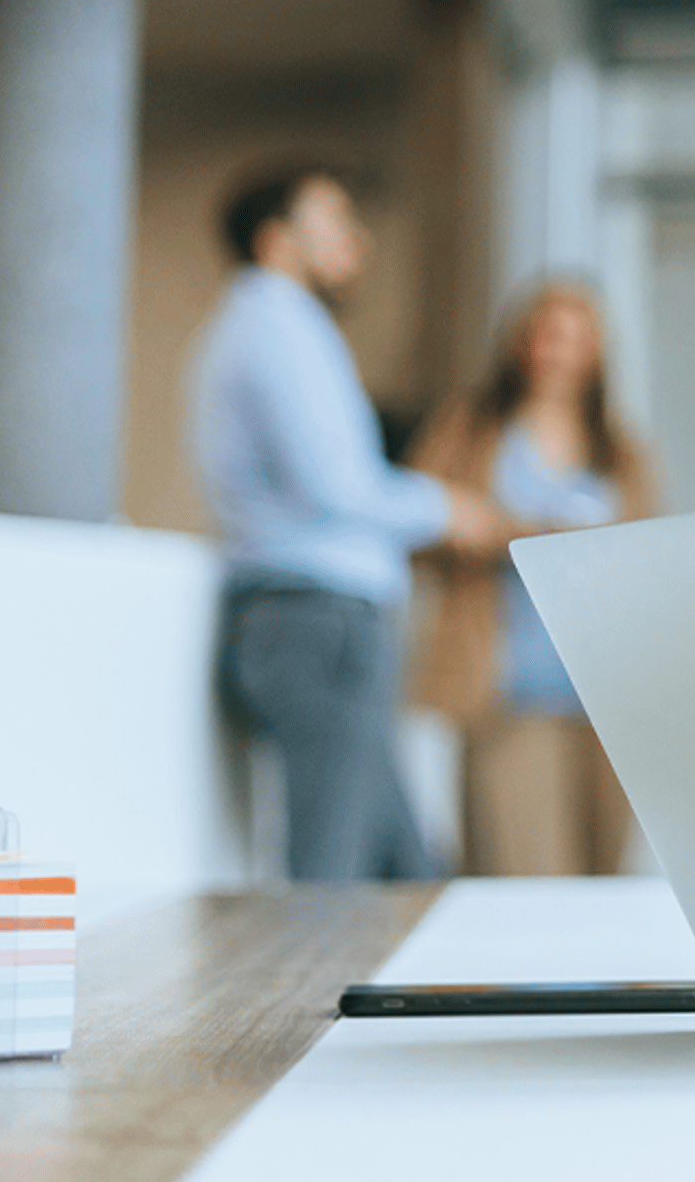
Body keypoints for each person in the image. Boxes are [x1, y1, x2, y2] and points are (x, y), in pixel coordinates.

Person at [191, 166, 507, 882]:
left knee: (404, 869)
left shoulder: (263, 326)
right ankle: (306, 1000)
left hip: (317, 622)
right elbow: (335, 484)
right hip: (317, 622)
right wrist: (445, 508)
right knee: (331, 878)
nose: (357, 241)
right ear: (277, 241)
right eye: (335, 223)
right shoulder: (280, 327)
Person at [409, 281, 657, 876]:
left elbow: (650, 564)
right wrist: (503, 533)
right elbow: (418, 523)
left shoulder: (621, 452)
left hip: (604, 699)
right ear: (520, 343)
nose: (557, 351)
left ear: (597, 353)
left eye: (574, 339)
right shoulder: (470, 432)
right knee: (525, 875)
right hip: (508, 692)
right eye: (545, 335)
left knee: (601, 877)